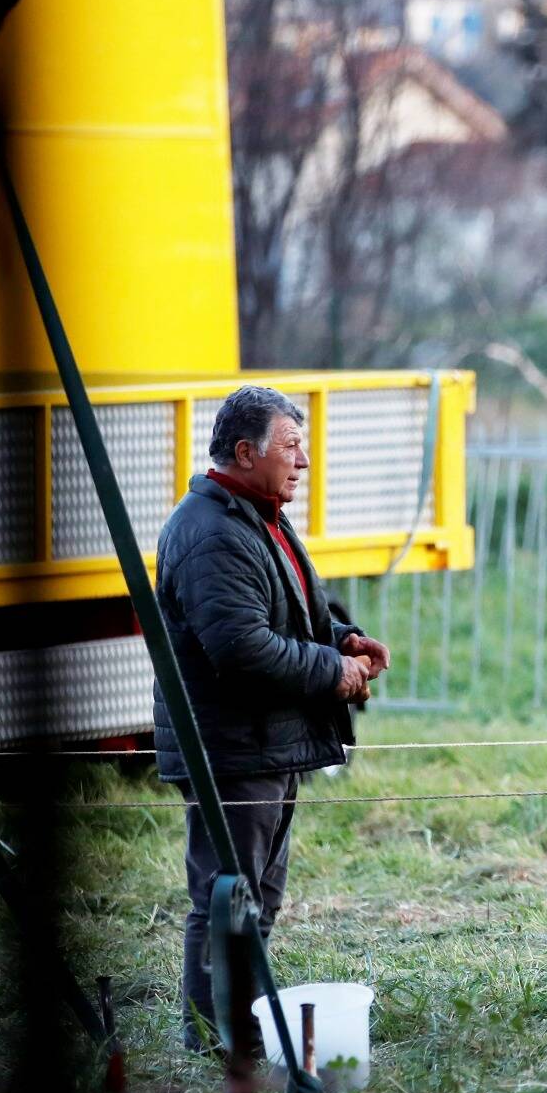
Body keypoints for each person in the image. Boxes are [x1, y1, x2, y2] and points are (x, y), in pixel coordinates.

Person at [154, 385, 390, 1052]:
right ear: (243, 452)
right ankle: (214, 1038)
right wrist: (333, 672)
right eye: (291, 446)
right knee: (226, 897)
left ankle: (242, 1030)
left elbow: (285, 617)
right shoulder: (211, 534)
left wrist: (343, 639)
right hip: (230, 749)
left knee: (255, 898)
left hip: (265, 745)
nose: (303, 461)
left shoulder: (256, 518)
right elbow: (242, 648)